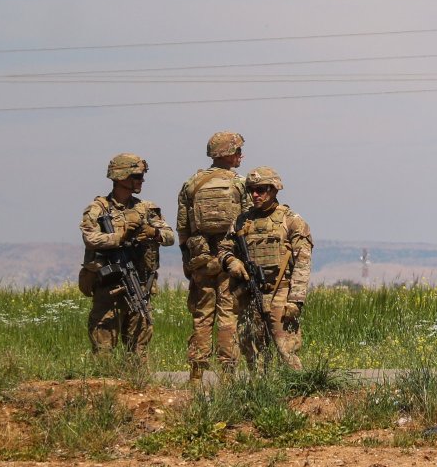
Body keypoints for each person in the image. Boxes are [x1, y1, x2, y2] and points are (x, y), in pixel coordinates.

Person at [78, 153, 174, 358]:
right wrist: (119, 237)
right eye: (137, 176)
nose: (142, 181)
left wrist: (153, 233)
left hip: (139, 284)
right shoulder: (98, 208)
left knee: (139, 349)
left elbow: (169, 236)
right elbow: (90, 238)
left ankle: (137, 386)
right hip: (108, 286)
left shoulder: (146, 209)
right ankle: (104, 386)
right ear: (122, 177)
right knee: (103, 347)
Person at [222, 166, 313, 370]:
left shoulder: (291, 221)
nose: (255, 195)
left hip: (280, 292)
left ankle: (296, 392)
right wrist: (232, 262)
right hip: (249, 294)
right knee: (251, 349)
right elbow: (224, 249)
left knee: (286, 350)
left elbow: (303, 261)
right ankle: (260, 393)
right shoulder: (242, 221)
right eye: (251, 190)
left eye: (261, 189)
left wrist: (296, 300)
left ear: (274, 190)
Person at [177, 131, 246, 381]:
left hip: (201, 259)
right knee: (228, 315)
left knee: (202, 315)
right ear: (227, 153)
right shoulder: (240, 183)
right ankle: (228, 375)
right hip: (231, 258)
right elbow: (247, 224)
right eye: (237, 151)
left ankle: (196, 375)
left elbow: (183, 228)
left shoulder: (191, 184)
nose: (240, 155)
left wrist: (188, 260)